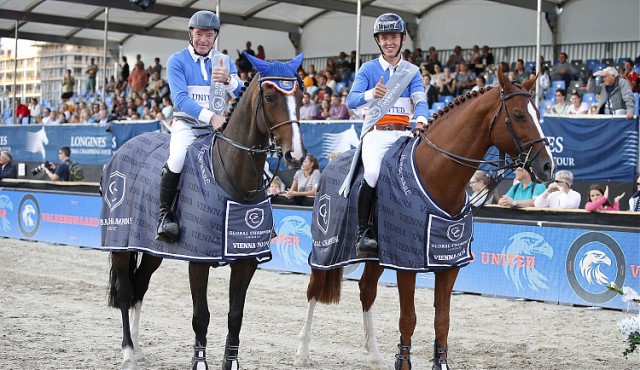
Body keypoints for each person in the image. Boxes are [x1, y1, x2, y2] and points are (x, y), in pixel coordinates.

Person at [342, 13, 429, 258]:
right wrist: (372, 94)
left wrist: (421, 121)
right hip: (377, 134)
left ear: (402, 39)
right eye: (384, 38)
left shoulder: (412, 71)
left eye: (393, 37)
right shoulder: (369, 68)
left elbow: (420, 100)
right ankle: (363, 232)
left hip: (404, 134)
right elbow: (351, 101)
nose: (389, 42)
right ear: (378, 41)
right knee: (372, 173)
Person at [156, 10, 243, 242]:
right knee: (177, 158)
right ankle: (164, 215)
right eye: (199, 34)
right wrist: (211, 118)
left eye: (209, 35)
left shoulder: (224, 60)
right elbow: (181, 100)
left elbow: (241, 95)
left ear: (215, 36)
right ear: (190, 34)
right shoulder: (177, 60)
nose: (204, 40)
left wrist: (229, 79)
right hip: (188, 124)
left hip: (218, 127)